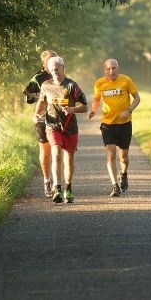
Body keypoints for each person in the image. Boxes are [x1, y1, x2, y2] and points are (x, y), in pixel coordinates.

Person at [33, 56, 88, 203]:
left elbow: (84, 107)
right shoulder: (45, 85)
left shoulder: (72, 85)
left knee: (68, 158)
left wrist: (72, 109)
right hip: (52, 126)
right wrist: (36, 114)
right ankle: (57, 188)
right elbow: (41, 102)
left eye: (57, 69)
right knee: (56, 152)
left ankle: (68, 189)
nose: (55, 72)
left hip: (70, 127)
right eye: (52, 70)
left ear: (63, 68)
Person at [88, 58, 141, 197]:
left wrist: (128, 111)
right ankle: (115, 186)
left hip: (124, 125)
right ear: (105, 70)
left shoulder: (126, 80)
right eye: (109, 69)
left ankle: (123, 174)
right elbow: (96, 100)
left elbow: (137, 98)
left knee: (123, 157)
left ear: (118, 68)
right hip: (108, 125)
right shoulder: (99, 83)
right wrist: (93, 110)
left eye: (114, 68)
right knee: (110, 155)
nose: (111, 71)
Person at [23, 49, 58, 197]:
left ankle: (58, 184)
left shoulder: (60, 74)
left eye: (55, 59)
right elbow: (28, 97)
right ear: (44, 63)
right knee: (46, 152)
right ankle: (47, 181)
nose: (53, 62)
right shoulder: (37, 78)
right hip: (43, 119)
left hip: (58, 118)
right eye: (50, 60)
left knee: (58, 152)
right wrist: (43, 97)